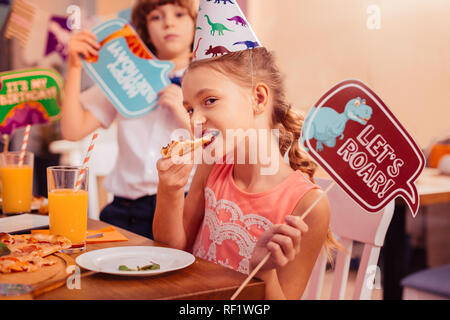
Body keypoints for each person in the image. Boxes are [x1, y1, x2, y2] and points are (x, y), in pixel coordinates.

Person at [153, 47, 339, 299]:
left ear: (259, 98)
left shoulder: (309, 204)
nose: (195, 121)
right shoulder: (212, 165)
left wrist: (264, 272)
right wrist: (169, 191)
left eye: (209, 101)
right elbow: (173, 251)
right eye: (189, 109)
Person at [60, 0, 197, 239]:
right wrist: (74, 67)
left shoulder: (209, 82)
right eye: (156, 17)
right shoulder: (125, 73)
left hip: (183, 208)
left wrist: (185, 116)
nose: (169, 23)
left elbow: (224, 147)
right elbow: (73, 130)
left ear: (196, 25)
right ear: (144, 30)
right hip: (124, 212)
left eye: (179, 14)